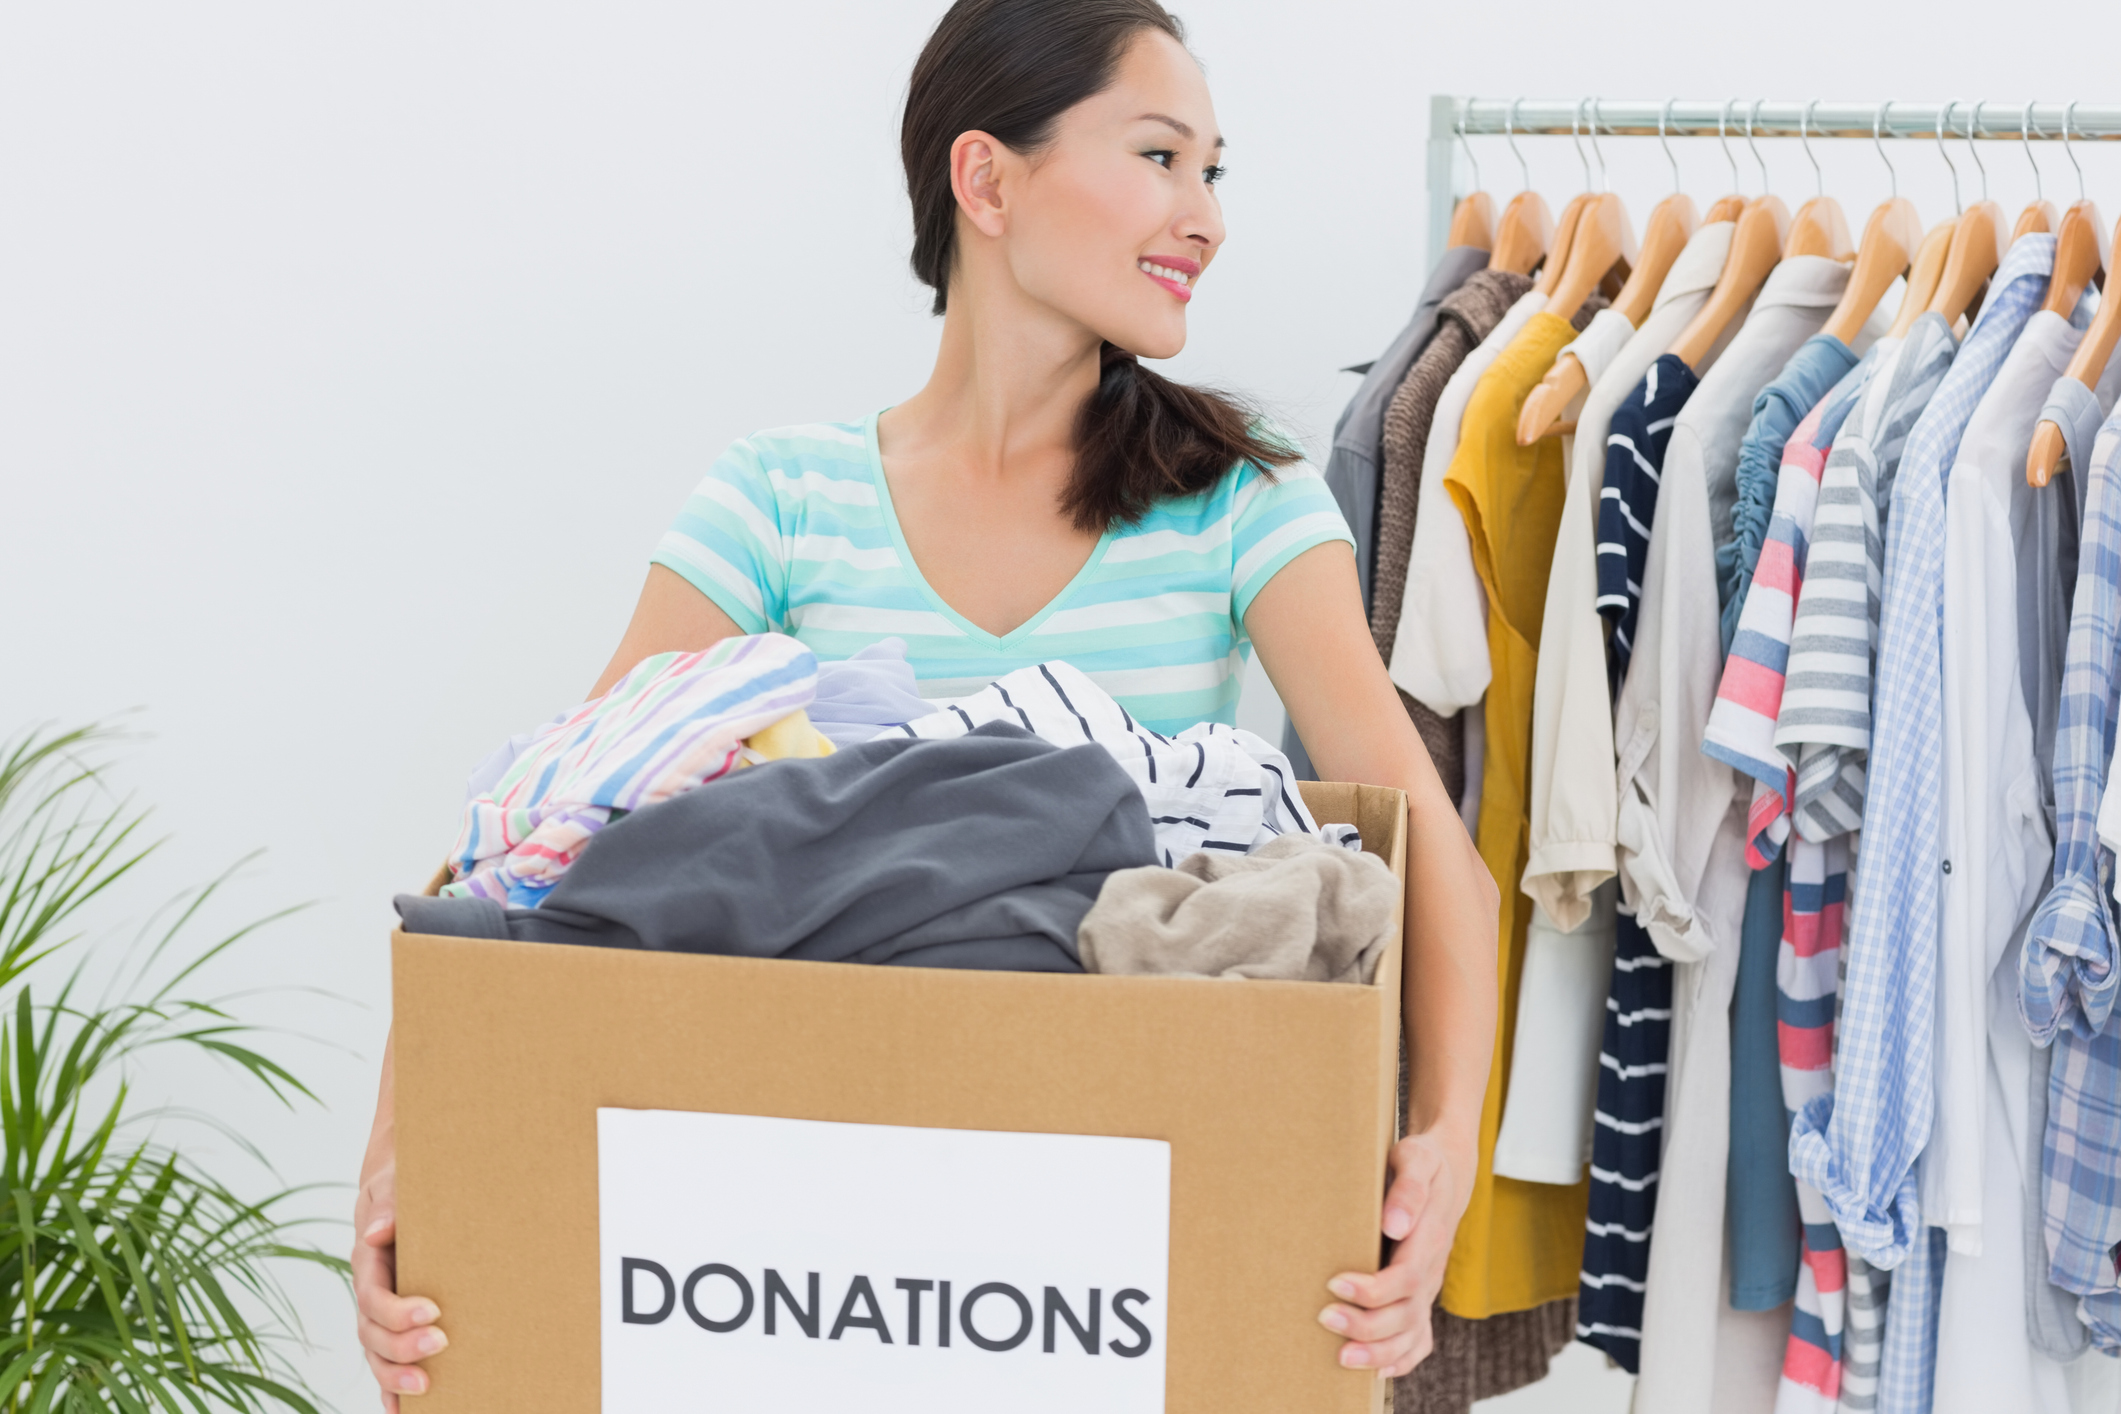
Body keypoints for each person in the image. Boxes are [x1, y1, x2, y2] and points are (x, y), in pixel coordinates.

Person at [353, 0, 1499, 1402]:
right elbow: (536, 841)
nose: (1203, 214)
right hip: (803, 1245)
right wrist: (401, 1179)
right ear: (987, 179)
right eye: (1158, 155)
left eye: (1214, 170)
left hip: (1100, 1251)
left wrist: (1438, 1152)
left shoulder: (1235, 500)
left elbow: (1426, 849)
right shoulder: (780, 500)